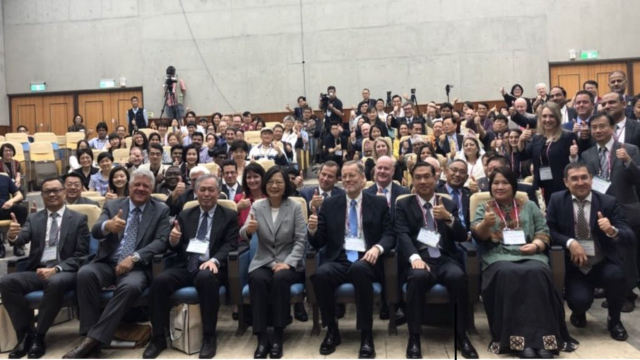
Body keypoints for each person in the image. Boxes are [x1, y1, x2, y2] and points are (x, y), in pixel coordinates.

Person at [63, 169, 170, 359]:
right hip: (108, 261)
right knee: (86, 273)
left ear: (152, 189)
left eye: (145, 186)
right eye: (137, 184)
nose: (140, 188)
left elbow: (161, 241)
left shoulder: (161, 209)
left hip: (136, 267)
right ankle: (89, 336)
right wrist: (107, 226)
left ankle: (91, 341)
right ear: (129, 186)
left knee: (131, 286)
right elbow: (96, 230)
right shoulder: (113, 205)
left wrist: (135, 257)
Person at [471, 167, 575, 358]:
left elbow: (543, 232)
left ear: (513, 185)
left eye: (505, 183)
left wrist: (536, 246)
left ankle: (544, 340)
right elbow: (479, 237)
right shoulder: (483, 208)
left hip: (530, 254)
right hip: (498, 256)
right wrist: (486, 223)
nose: (500, 187)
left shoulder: (530, 206)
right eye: (495, 183)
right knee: (508, 273)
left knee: (537, 271)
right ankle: (518, 342)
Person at [144, 174, 238, 359]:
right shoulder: (186, 214)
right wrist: (174, 240)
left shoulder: (229, 216)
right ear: (196, 192)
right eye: (202, 190)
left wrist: (215, 261)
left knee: (205, 278)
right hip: (187, 264)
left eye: (211, 190)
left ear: (219, 192)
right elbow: (177, 246)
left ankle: (209, 337)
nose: (206, 194)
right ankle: (158, 338)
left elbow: (231, 245)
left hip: (211, 266)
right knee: (159, 282)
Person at [307, 161, 395, 358]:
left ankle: (366, 334)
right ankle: (331, 329)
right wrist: (312, 229)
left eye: (352, 175)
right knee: (321, 274)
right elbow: (319, 240)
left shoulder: (378, 202)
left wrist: (377, 248)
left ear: (363, 179)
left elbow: (390, 234)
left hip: (367, 258)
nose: (347, 180)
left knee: (359, 269)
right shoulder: (330, 204)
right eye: (344, 176)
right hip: (340, 258)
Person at [395, 162, 478, 359]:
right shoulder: (403, 205)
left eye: (427, 176)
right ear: (412, 180)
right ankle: (414, 337)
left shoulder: (448, 204)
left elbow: (460, 237)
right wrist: (414, 257)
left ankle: (461, 335)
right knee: (417, 278)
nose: (422, 181)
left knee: (458, 277)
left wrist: (449, 219)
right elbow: (402, 234)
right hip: (419, 257)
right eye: (418, 177)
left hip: (444, 257)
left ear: (435, 178)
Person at [0, 178, 90, 359]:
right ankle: (26, 335)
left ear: (64, 193)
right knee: (6, 281)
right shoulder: (34, 218)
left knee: (54, 282)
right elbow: (21, 238)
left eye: (56, 190)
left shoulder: (79, 219)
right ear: (42, 196)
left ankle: (39, 336)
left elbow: (81, 255)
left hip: (65, 272)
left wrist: (56, 269)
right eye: (47, 192)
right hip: (37, 270)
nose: (52, 194)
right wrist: (13, 236)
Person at [545, 162, 631, 342]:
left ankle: (614, 320)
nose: (580, 182)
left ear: (591, 179)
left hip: (601, 262)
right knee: (579, 301)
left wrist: (612, 230)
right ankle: (579, 311)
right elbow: (549, 231)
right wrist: (570, 242)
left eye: (584, 177)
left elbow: (628, 235)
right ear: (566, 182)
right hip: (575, 266)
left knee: (617, 275)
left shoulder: (608, 202)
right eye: (574, 179)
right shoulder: (557, 200)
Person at [239, 167, 307, 359]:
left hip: (288, 263)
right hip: (263, 260)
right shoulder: (257, 206)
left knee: (280, 279)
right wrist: (249, 230)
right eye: (270, 182)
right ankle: (261, 337)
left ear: (286, 184)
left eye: (278, 182)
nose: (274, 186)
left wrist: (289, 263)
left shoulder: (294, 207)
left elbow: (301, 240)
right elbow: (243, 232)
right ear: (265, 185)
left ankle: (278, 334)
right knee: (257, 280)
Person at [580, 112, 640, 311]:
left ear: (612, 128)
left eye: (602, 126)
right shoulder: (587, 154)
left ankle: (627, 294)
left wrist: (628, 162)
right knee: (607, 251)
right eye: (594, 127)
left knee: (626, 253)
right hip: (600, 211)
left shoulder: (629, 149)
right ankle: (610, 288)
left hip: (625, 209)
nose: (597, 130)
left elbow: (637, 180)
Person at [518, 102, 581, 204]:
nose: (547, 120)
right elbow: (523, 156)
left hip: (561, 186)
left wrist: (573, 156)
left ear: (558, 117)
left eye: (551, 116)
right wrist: (521, 140)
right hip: (540, 185)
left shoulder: (568, 137)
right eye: (544, 116)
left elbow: (575, 164)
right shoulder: (537, 138)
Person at [0, 162, 28, 258]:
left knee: (21, 209)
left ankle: (18, 244)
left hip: (4, 208)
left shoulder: (5, 178)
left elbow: (19, 195)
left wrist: (11, 201)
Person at [436, 159, 472, 232]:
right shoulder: (436, 193)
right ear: (446, 172)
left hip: (468, 238)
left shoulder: (470, 195)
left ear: (467, 177)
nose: (457, 174)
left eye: (462, 172)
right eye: (454, 170)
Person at [234, 163, 266, 231]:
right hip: (243, 239)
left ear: (262, 178)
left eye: (255, 176)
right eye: (249, 177)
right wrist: (237, 208)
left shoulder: (270, 198)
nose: (252, 180)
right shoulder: (239, 198)